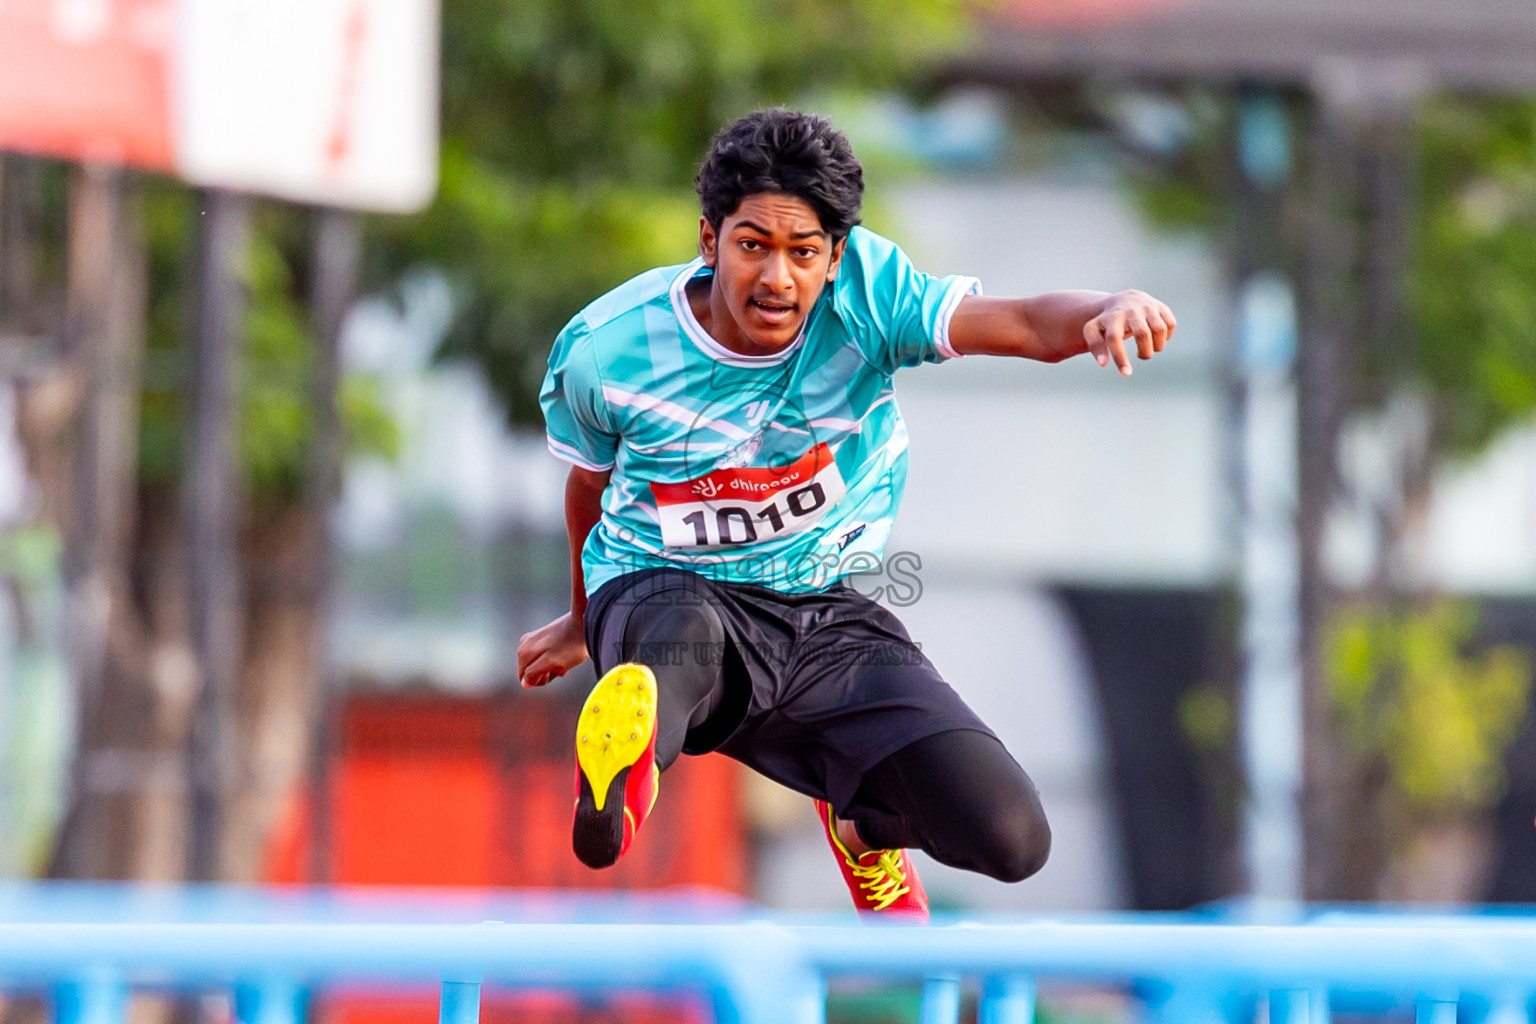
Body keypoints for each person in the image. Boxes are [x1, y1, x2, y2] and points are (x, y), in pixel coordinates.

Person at [517, 108, 1176, 919]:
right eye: (752, 245)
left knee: (1011, 837)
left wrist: (1106, 307)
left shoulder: (870, 298)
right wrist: (586, 621)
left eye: (803, 254)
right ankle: (629, 769)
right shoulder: (607, 351)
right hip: (662, 589)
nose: (776, 279)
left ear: (834, 258)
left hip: (821, 615)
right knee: (679, 640)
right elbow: (588, 490)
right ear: (708, 239)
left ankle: (862, 825)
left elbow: (1023, 322)